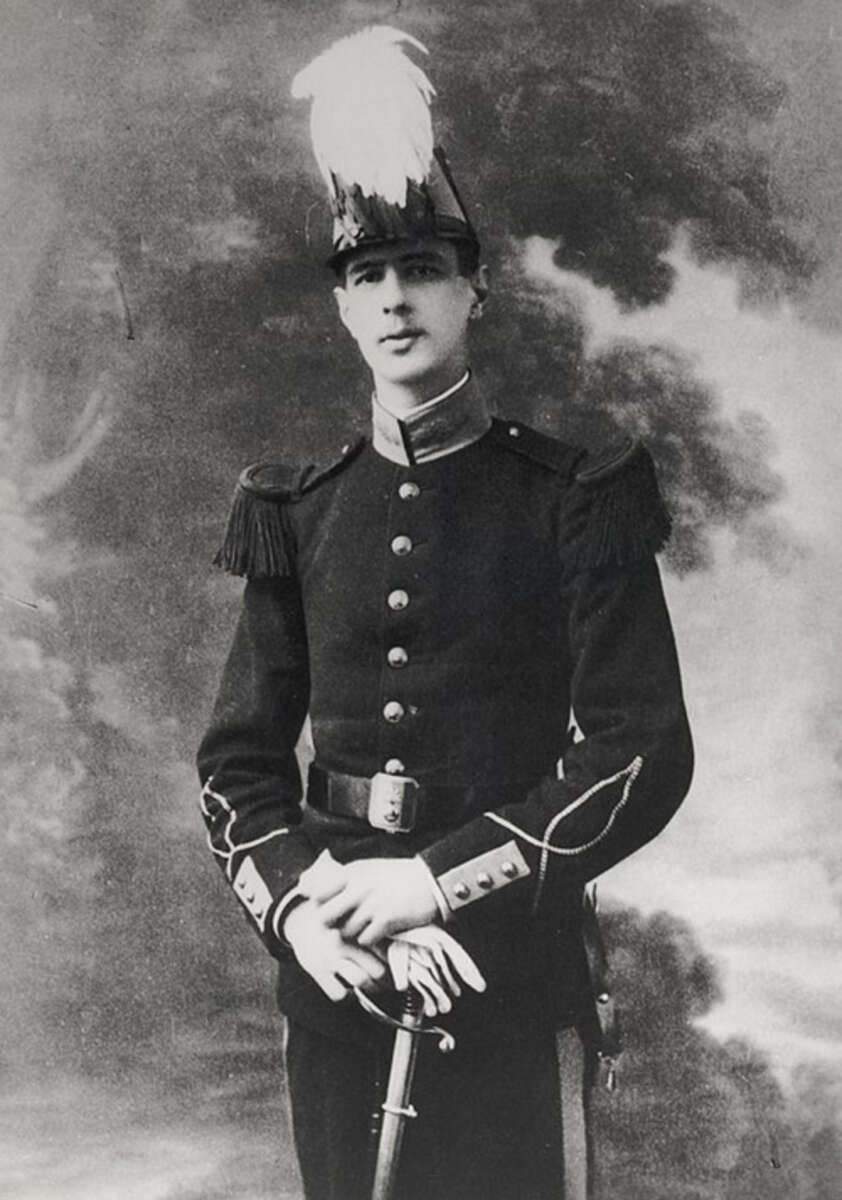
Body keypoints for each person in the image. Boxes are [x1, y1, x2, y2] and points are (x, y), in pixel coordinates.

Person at [197, 26, 693, 1200]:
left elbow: (640, 751)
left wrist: (433, 887)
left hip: (504, 981)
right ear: (340, 308)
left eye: (420, 268)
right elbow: (237, 768)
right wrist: (307, 925)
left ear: (474, 288)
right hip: (333, 982)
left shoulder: (572, 498)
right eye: (365, 276)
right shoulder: (298, 510)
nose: (393, 299)